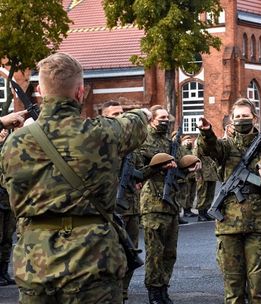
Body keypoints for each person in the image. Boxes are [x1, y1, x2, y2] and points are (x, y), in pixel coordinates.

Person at [0, 52, 151, 303]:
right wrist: (143, 113)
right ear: (81, 93)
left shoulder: (14, 143)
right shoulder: (103, 133)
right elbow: (137, 121)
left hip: (35, 260)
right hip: (92, 260)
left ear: (39, 90)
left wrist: (3, 123)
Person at [196, 98, 261, 304]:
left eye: (245, 116)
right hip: (228, 226)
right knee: (233, 291)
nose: (241, 120)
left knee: (258, 291)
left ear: (254, 118)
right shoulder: (225, 148)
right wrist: (206, 132)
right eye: (237, 117)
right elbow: (208, 148)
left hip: (260, 226)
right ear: (231, 120)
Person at [138, 105, 180, 304]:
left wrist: (189, 166)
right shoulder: (143, 140)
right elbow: (138, 173)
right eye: (161, 117)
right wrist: (156, 166)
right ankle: (154, 291)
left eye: (167, 117)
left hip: (171, 203)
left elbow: (180, 167)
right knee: (155, 252)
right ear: (152, 119)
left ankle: (164, 287)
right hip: (152, 204)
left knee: (169, 252)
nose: (164, 120)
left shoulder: (170, 143)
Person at [101, 100, 142, 301]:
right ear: (105, 118)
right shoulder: (100, 146)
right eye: (116, 114)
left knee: (131, 253)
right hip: (110, 210)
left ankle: (123, 292)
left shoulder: (132, 147)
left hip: (132, 208)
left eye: (122, 113)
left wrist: (155, 169)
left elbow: (141, 173)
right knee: (111, 255)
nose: (121, 117)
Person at [0, 129, 15, 286]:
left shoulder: (9, 148)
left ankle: (4, 272)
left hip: (8, 201)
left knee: (7, 239)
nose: (3, 132)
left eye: (5, 130)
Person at [193, 137, 219, 222]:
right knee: (202, 194)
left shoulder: (212, 144)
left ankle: (207, 212)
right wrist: (198, 174)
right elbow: (195, 158)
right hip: (203, 173)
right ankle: (201, 214)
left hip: (212, 173)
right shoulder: (199, 143)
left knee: (210, 194)